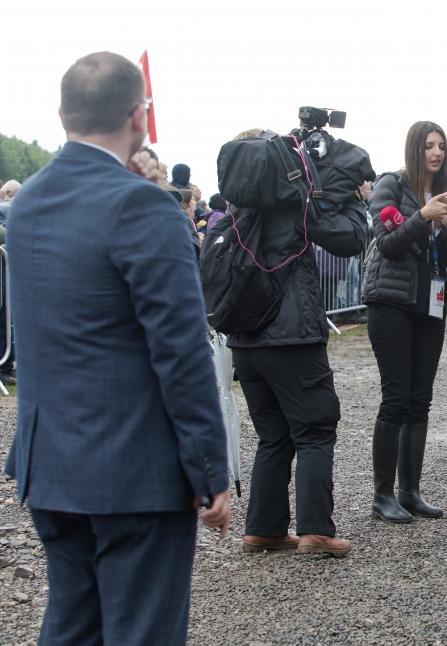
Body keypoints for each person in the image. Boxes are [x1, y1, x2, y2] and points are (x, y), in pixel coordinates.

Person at [2, 51, 230, 645]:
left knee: (72, 625)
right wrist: (209, 468)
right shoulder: (143, 206)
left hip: (50, 462)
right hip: (133, 468)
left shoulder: (26, 204)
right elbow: (180, 351)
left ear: (61, 114)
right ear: (139, 116)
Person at [228, 124, 369, 555]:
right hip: (291, 336)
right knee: (315, 430)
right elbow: (348, 240)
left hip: (246, 339)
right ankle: (316, 530)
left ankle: (263, 528)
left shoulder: (237, 206)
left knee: (274, 435)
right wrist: (354, 202)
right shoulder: (294, 203)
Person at [362, 121, 447, 523]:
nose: (437, 153)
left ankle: (410, 491)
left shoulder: (440, 193)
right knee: (396, 397)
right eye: (429, 145)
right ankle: (382, 495)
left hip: (431, 303)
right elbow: (387, 243)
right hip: (390, 301)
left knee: (420, 398)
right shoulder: (392, 185)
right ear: (415, 149)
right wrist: (423, 216)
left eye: (441, 146)